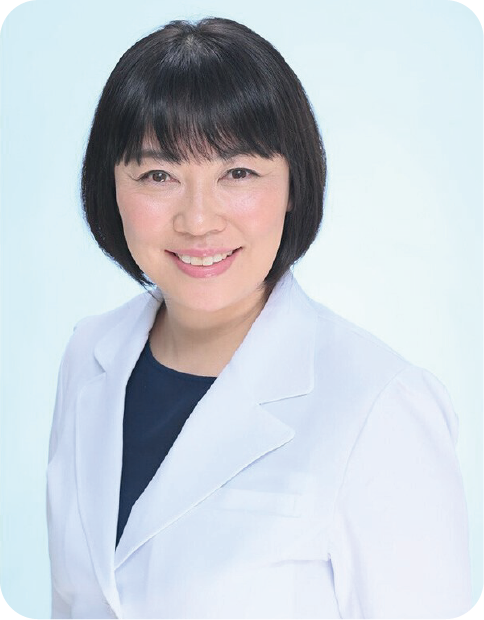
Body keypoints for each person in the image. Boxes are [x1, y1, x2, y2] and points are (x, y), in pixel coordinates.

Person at [46, 17, 472, 620]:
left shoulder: (381, 406)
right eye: (159, 176)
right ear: (109, 187)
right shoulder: (88, 356)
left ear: (294, 184)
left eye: (238, 173)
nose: (198, 221)